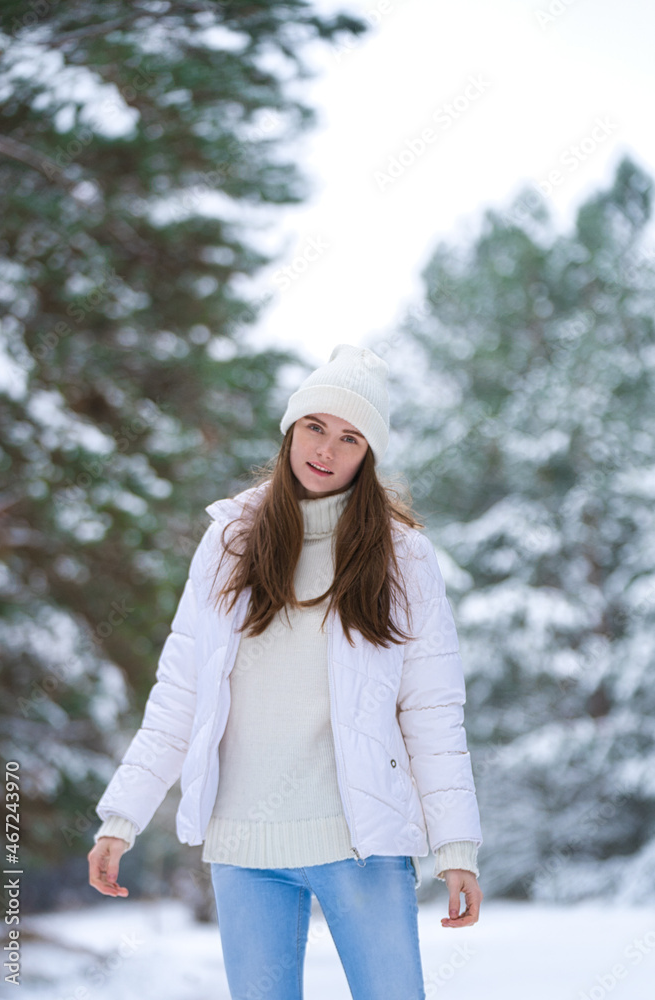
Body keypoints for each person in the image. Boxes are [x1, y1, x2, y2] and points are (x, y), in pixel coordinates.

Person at [88, 344, 483, 1000]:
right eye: (314, 427)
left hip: (361, 844)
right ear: (290, 429)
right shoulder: (229, 541)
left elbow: (431, 713)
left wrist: (456, 849)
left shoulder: (402, 557)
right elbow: (180, 693)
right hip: (244, 848)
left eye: (349, 436)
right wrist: (120, 816)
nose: (325, 449)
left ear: (369, 454)